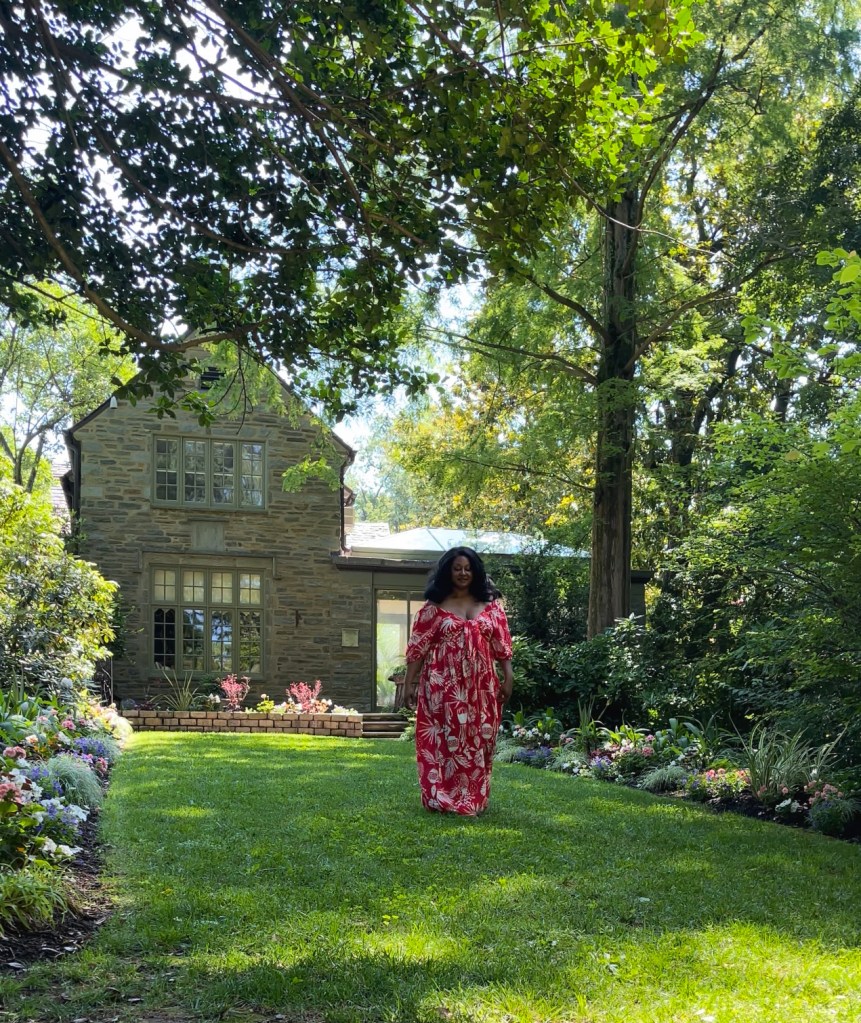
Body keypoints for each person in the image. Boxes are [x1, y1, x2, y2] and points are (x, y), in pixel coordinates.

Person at [403, 546, 513, 816]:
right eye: (457, 568)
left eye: (468, 568)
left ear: (475, 571)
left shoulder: (491, 608)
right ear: (447, 571)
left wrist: (508, 676)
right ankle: (442, 795)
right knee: (444, 739)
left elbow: (502, 647)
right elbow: (418, 649)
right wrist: (409, 683)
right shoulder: (434, 608)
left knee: (478, 740)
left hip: (482, 687)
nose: (463, 573)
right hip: (443, 685)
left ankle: (472, 796)